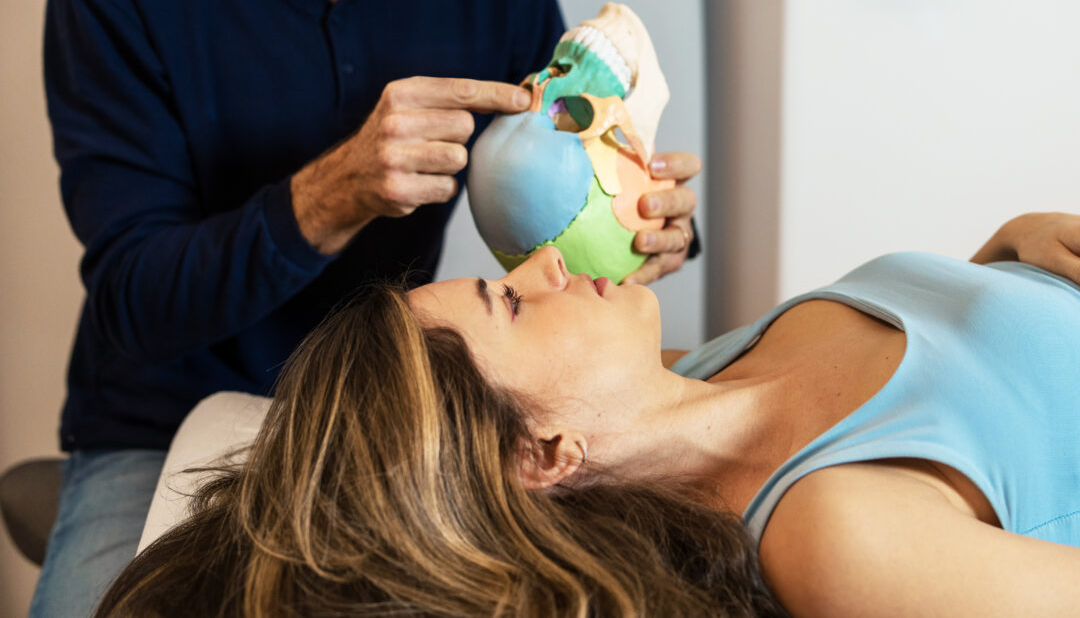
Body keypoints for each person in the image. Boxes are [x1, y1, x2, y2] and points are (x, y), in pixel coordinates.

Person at [33, 0, 702, 614]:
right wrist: (332, 193)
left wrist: (637, 225)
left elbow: (555, 173)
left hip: (402, 420)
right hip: (160, 416)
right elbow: (135, 298)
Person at [93, 212, 1080, 616]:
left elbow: (1001, 404)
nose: (545, 261)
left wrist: (1003, 253)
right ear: (543, 452)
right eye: (510, 300)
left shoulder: (710, 369)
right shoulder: (837, 535)